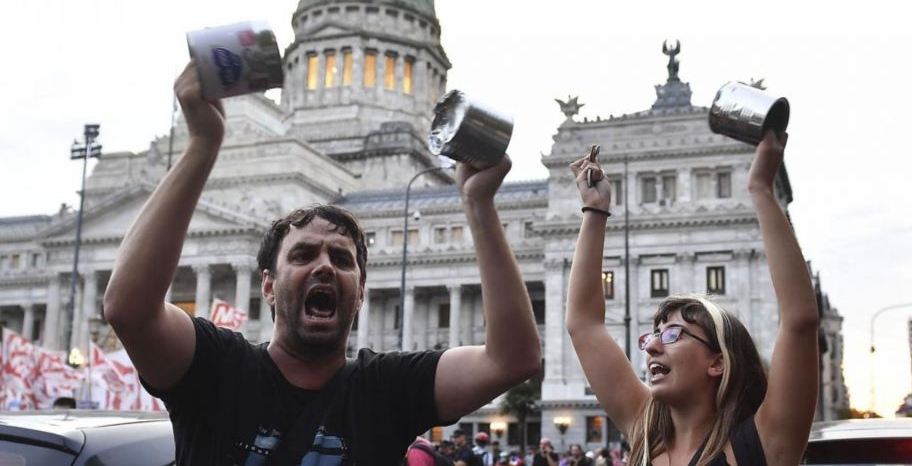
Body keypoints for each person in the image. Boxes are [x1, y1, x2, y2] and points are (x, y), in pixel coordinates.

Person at [103, 61, 542, 465]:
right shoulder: (218, 370)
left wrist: (478, 204)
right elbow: (130, 309)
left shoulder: (386, 389)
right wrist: (202, 145)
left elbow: (513, 360)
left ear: (361, 292)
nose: (325, 266)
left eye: (341, 258)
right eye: (303, 253)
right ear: (269, 285)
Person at [565, 132, 818, 466]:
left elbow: (800, 321)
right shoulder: (646, 432)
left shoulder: (763, 444)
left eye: (672, 334)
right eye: (653, 335)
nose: (652, 346)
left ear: (718, 362)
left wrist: (760, 189)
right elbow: (584, 325)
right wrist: (594, 211)